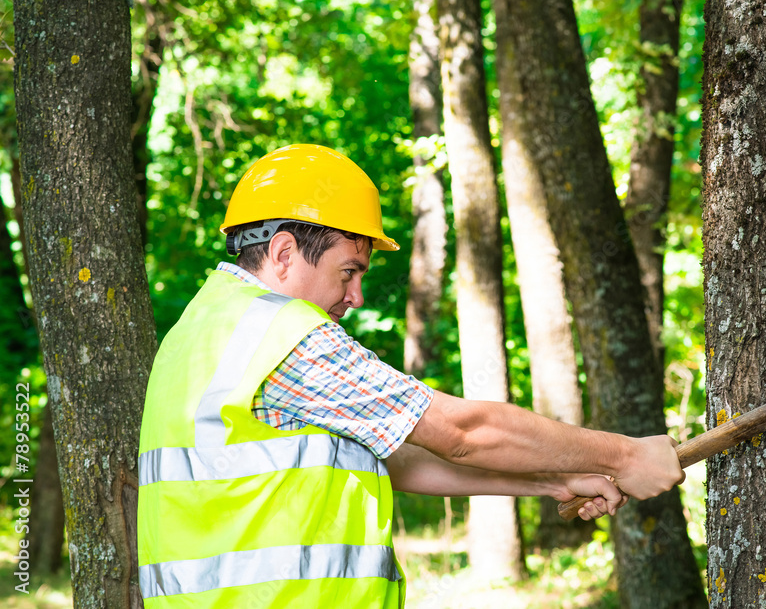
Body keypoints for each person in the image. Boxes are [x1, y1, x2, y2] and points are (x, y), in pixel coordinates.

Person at [137, 144, 684, 608]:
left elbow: (393, 457)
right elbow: (460, 431)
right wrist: (623, 456)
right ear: (284, 253)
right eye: (347, 272)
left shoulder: (202, 329)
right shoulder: (282, 336)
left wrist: (551, 480)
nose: (356, 296)